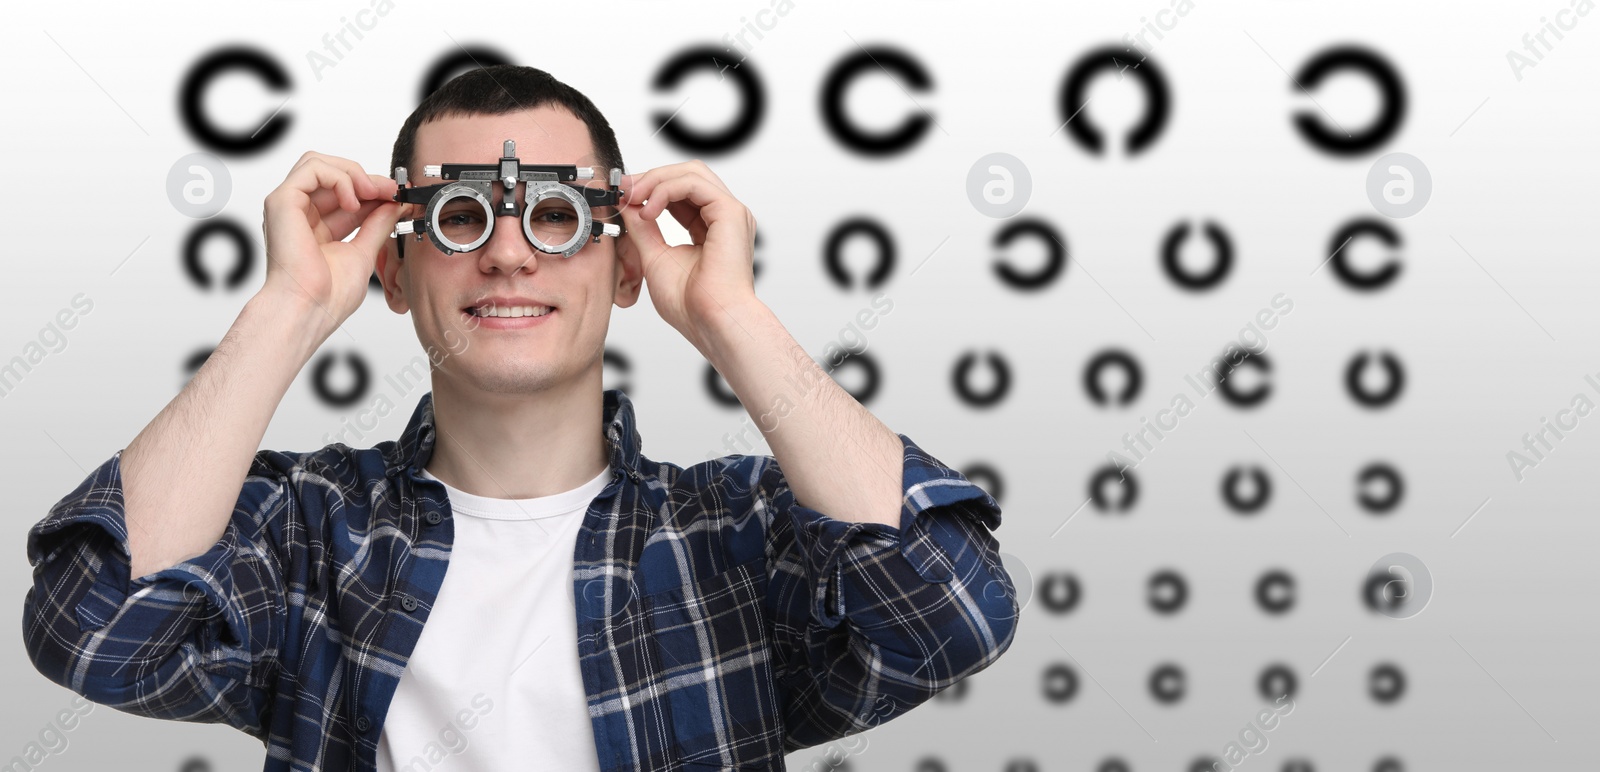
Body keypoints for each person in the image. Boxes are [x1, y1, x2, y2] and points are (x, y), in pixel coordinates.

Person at [21, 64, 1019, 772]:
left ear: (625, 262)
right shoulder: (307, 532)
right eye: (459, 217)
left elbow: (953, 615)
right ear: (396, 272)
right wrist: (286, 309)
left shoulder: (737, 535)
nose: (507, 254)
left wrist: (730, 316)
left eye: (555, 215)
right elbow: (95, 627)